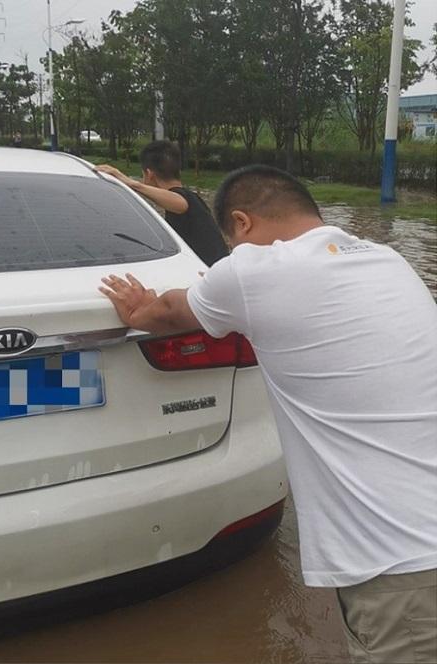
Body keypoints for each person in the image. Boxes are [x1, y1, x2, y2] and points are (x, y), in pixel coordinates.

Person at [98, 165, 437, 664]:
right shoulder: (387, 259)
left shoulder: (253, 271)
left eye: (230, 245)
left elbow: (168, 312)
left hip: (401, 560)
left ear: (242, 222)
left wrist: (137, 307)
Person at [94, 140, 228, 266]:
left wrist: (133, 184)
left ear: (149, 174)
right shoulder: (193, 198)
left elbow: (181, 203)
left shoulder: (185, 199)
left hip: (209, 277)